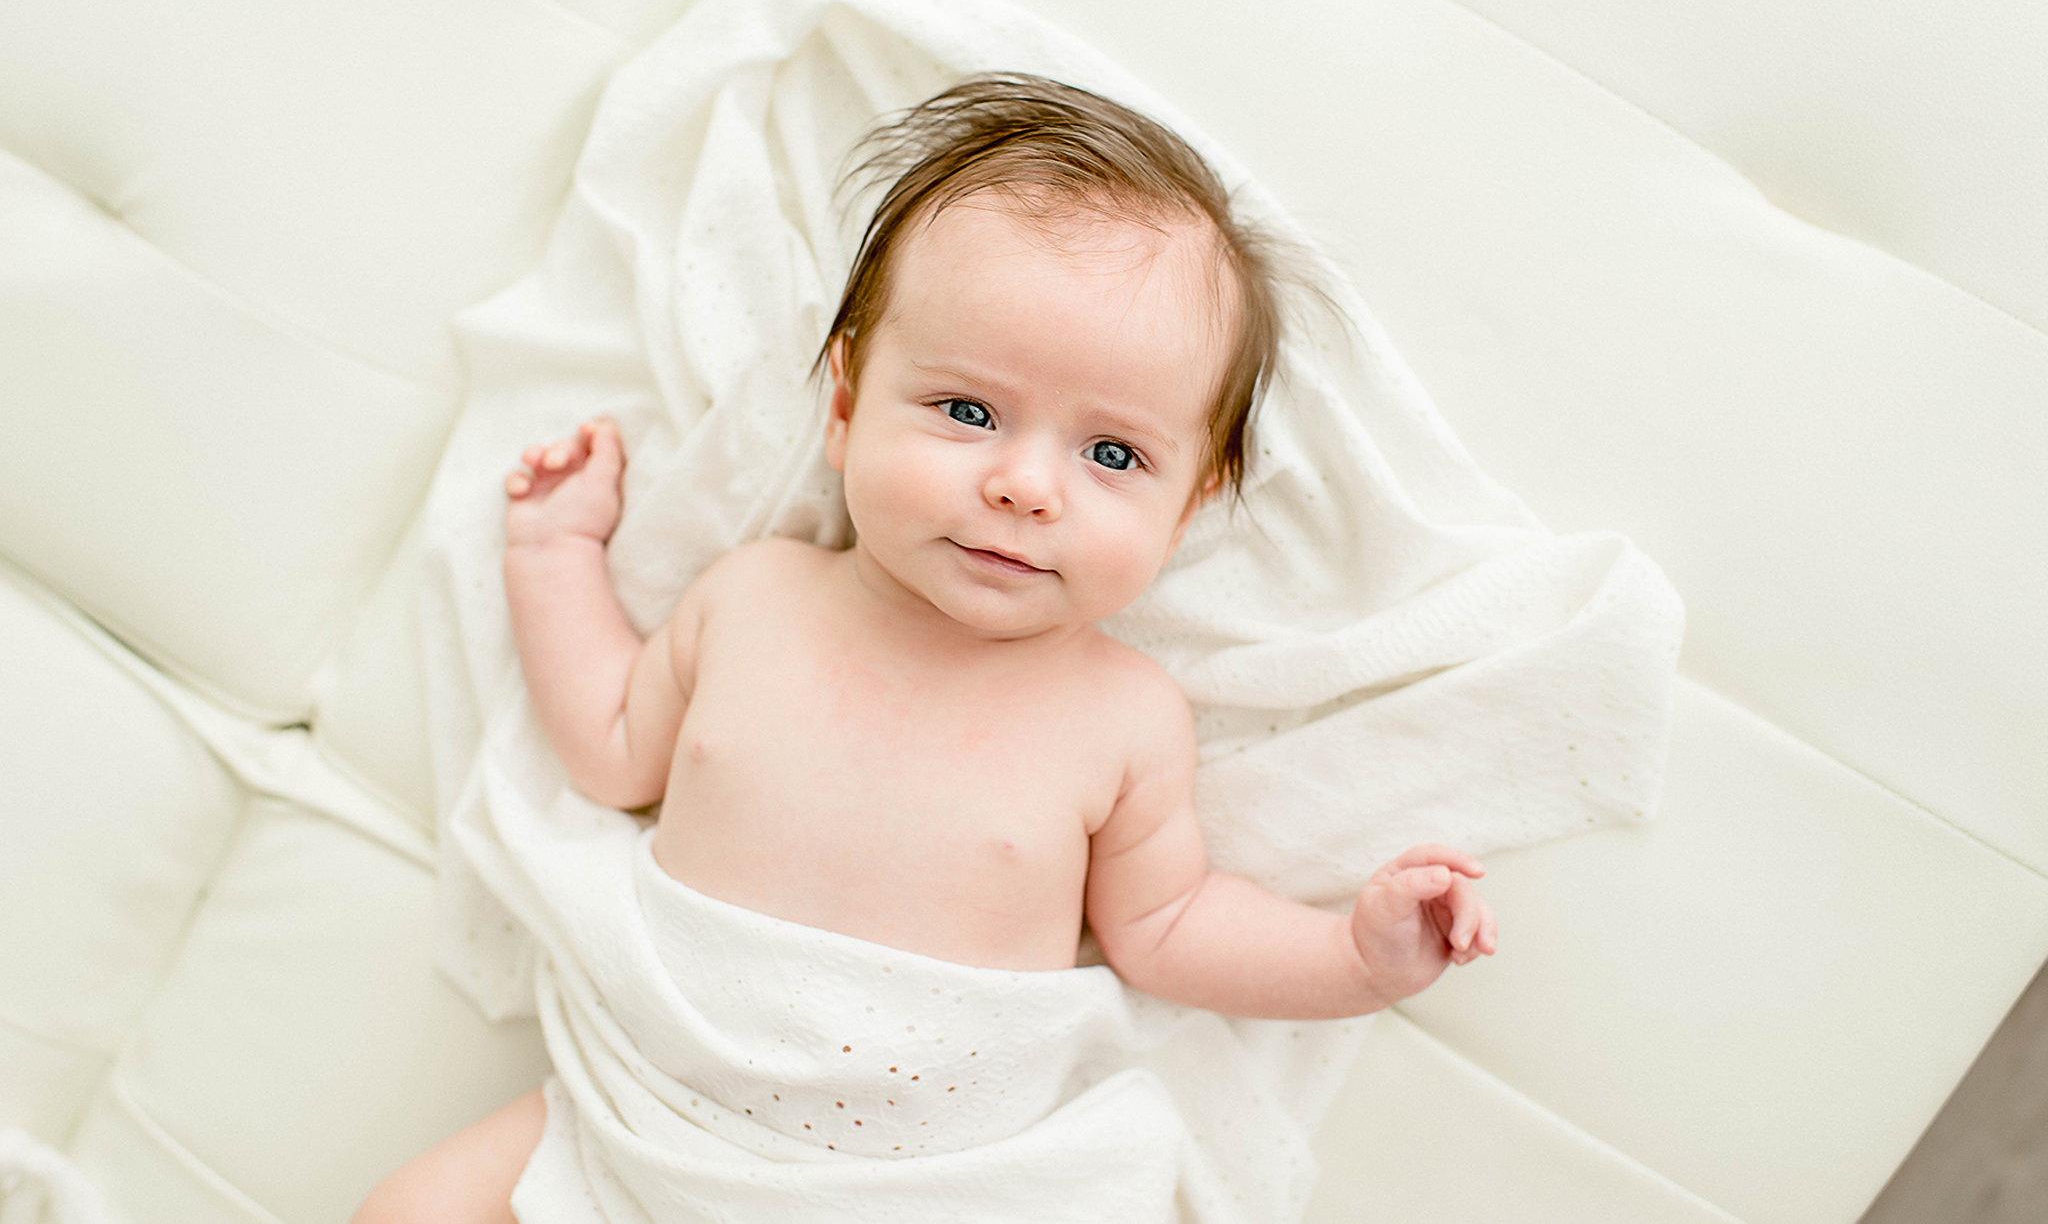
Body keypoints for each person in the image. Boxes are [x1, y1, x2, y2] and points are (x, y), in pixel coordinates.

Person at [356, 74, 1495, 1223]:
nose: (1023, 484)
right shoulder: (753, 597)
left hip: (912, 1186)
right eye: (965, 411)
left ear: (1190, 503)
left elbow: (1167, 925)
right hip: (643, 1115)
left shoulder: (1120, 716)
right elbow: (610, 748)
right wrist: (556, 551)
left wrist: (1353, 954)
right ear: (845, 402)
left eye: (1111, 455)